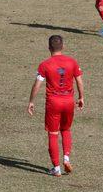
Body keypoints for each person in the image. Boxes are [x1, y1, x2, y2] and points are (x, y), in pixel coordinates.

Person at [27, 35, 84, 177]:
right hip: (69, 101)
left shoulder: (45, 65)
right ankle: (66, 158)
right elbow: (79, 81)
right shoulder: (72, 62)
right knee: (66, 129)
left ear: (49, 48)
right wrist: (81, 97)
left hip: (53, 103)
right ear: (63, 47)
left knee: (53, 134)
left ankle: (56, 168)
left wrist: (31, 101)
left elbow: (37, 84)